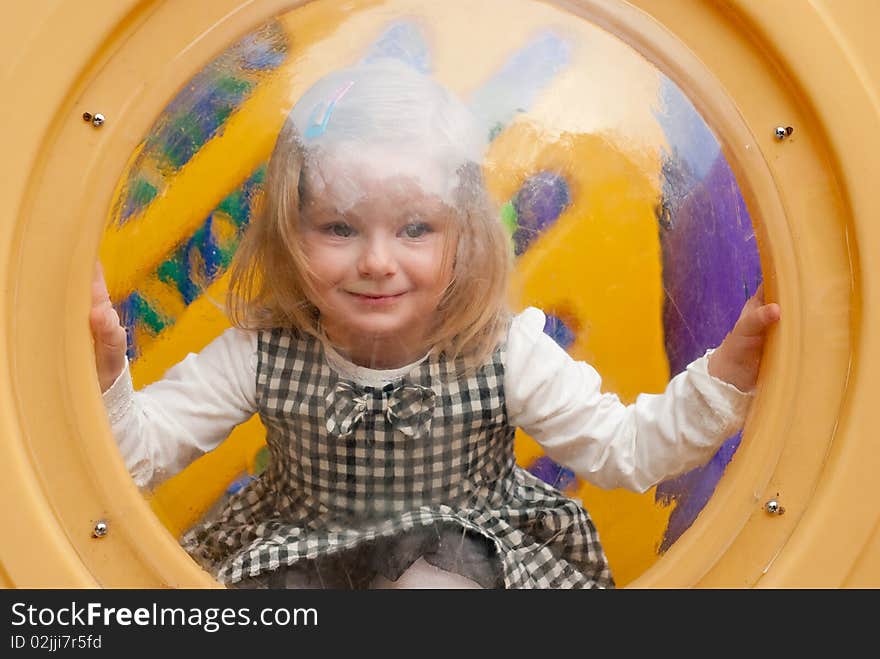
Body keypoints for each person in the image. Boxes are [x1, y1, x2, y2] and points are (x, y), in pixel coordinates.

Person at [90, 58, 780, 589]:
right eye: (339, 227)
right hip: (308, 554)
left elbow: (627, 447)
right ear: (290, 232)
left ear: (465, 237)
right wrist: (107, 374)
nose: (377, 261)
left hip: (461, 562)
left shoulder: (500, 353)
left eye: (415, 228)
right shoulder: (261, 352)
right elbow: (138, 454)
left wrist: (724, 380)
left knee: (430, 583)